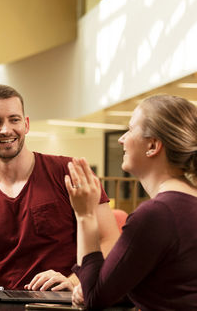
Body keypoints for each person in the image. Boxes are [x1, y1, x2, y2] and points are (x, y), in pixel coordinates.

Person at [0, 84, 119, 291]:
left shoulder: (69, 173)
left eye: (14, 119)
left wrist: (73, 280)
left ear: (26, 124)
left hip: (66, 302)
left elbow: (111, 242)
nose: (6, 129)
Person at [68, 94, 197, 310]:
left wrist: (85, 215)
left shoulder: (157, 214)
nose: (121, 139)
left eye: (130, 129)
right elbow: (171, 287)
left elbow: (95, 299)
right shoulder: (185, 204)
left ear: (153, 146)